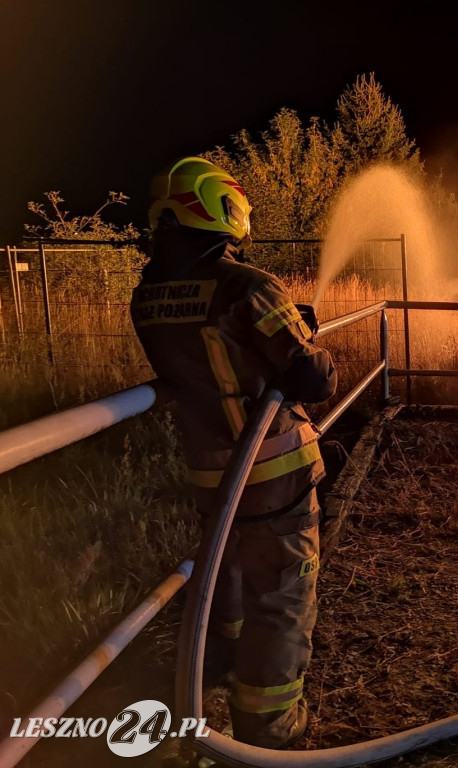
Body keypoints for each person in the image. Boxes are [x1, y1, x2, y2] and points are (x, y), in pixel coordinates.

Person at [130, 156, 337, 748]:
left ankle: (218, 664)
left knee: (229, 575)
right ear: (224, 210)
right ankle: (270, 726)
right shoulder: (247, 285)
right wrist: (309, 340)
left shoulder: (148, 296)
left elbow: (212, 354)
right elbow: (310, 379)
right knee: (283, 595)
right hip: (276, 477)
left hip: (210, 477)